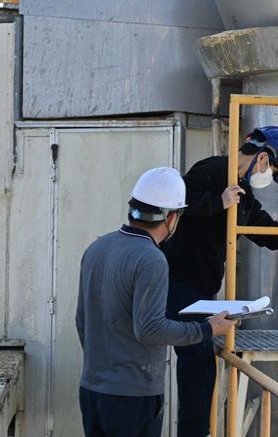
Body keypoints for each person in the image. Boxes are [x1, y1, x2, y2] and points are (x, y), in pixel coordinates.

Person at [163, 126, 278, 437]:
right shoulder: (212, 170)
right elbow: (181, 200)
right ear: (263, 157)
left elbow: (256, 221)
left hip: (202, 287)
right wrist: (219, 201)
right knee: (197, 362)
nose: (268, 175)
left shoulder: (243, 189)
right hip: (181, 281)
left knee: (200, 365)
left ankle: (195, 432)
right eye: (272, 169)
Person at [75, 167, 235, 437]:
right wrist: (207, 329)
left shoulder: (97, 248)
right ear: (172, 217)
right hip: (133, 397)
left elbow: (82, 321)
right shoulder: (151, 258)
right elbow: (150, 329)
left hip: (92, 390)